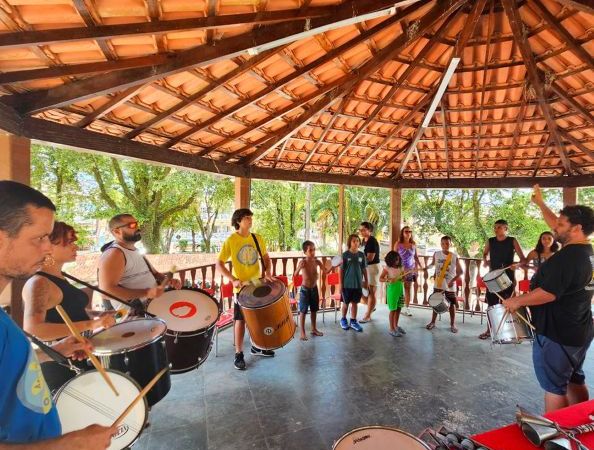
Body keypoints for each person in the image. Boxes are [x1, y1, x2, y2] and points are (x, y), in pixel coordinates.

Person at [0, 180, 114, 448]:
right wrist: (69, 445)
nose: (48, 249)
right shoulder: (39, 284)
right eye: (39, 238)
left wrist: (51, 351)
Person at [503, 185, 593, 413]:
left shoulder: (568, 257)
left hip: (557, 333)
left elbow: (548, 293)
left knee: (554, 387)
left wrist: (517, 301)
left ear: (577, 228)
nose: (554, 227)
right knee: (574, 378)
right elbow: (555, 222)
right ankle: (584, 424)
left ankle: (559, 439)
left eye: (561, 225)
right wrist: (540, 203)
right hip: (579, 328)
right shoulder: (586, 252)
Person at [23, 222, 115, 341]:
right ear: (47, 247)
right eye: (69, 242)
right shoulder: (39, 283)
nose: (75, 247)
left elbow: (71, 311)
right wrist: (91, 324)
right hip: (68, 356)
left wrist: (98, 315)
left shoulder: (58, 276)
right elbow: (34, 330)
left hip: (83, 349)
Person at [216, 208, 275, 370]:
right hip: (241, 289)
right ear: (238, 221)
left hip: (257, 285)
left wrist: (268, 271)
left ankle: (257, 346)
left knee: (258, 318)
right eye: (247, 218)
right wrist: (233, 279)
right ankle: (238, 353)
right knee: (240, 320)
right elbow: (219, 264)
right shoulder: (231, 240)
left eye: (250, 218)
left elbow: (266, 258)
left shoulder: (257, 238)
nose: (250, 220)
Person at [98, 214, 180, 312]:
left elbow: (155, 274)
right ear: (117, 231)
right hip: (134, 314)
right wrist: (146, 293)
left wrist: (169, 281)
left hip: (151, 307)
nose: (138, 228)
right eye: (132, 225)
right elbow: (105, 292)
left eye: (137, 224)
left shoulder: (135, 250)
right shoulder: (114, 254)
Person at [478, 219, 525, 340]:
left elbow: (523, 259)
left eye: (499, 227)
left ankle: (512, 332)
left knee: (508, 305)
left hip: (507, 277)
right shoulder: (491, 241)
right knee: (491, 305)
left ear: (506, 228)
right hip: (492, 277)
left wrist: (517, 265)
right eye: (495, 227)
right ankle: (489, 331)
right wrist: (485, 260)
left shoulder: (512, 240)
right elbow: (485, 253)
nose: (496, 229)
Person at [425, 236, 463, 333]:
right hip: (438, 283)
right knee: (436, 302)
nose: (445, 245)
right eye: (443, 243)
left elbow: (460, 272)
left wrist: (452, 280)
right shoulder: (436, 254)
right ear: (440, 244)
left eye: (447, 243)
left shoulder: (454, 256)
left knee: (452, 305)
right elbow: (433, 264)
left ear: (450, 244)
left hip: (450, 285)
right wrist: (426, 267)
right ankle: (433, 322)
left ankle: (452, 324)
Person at [294, 240, 325, 340]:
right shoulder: (303, 262)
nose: (313, 252)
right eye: (310, 250)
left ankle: (314, 329)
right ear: (305, 252)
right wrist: (299, 268)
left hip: (314, 289)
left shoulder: (317, 261)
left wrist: (335, 264)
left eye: (314, 250)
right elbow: (295, 274)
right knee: (303, 311)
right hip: (305, 290)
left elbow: (326, 271)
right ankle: (302, 332)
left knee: (314, 310)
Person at [339, 234, 368, 332]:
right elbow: (341, 270)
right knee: (346, 303)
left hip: (358, 284)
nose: (356, 243)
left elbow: (364, 269)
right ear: (349, 243)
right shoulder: (345, 255)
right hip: (347, 284)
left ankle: (353, 321)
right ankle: (343, 319)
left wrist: (366, 281)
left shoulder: (361, 255)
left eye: (357, 241)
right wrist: (341, 284)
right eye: (353, 241)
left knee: (355, 303)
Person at [394, 226, 423, 317]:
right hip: (400, 270)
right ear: (402, 233)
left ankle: (407, 308)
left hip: (410, 270)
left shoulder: (413, 244)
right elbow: (394, 257)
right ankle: (397, 307)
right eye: (406, 231)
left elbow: (416, 257)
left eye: (410, 231)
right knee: (398, 289)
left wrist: (421, 267)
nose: (408, 233)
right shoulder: (398, 243)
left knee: (407, 289)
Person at [380, 251, 405, 337]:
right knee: (393, 310)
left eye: (398, 259)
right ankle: (391, 329)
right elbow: (381, 278)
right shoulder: (387, 268)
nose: (397, 261)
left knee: (398, 308)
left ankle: (396, 326)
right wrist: (388, 280)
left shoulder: (401, 268)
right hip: (392, 291)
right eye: (395, 260)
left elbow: (402, 277)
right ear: (391, 260)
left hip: (400, 290)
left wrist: (403, 278)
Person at [359, 222, 380, 323]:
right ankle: (371, 307)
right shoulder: (363, 241)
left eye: (363, 230)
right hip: (365, 268)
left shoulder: (372, 241)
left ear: (369, 230)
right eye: (360, 230)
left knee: (371, 292)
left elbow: (370, 258)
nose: (361, 231)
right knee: (359, 287)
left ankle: (368, 315)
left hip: (372, 268)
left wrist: (358, 262)